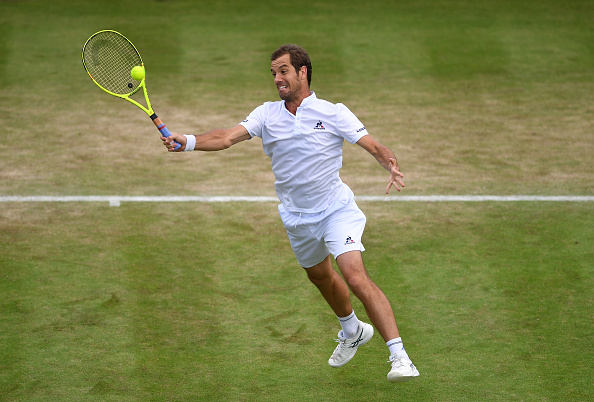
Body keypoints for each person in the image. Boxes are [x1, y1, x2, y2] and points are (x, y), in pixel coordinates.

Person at [162, 44, 419, 383]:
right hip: (297, 217)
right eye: (273, 73)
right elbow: (225, 138)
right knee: (319, 276)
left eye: (283, 71)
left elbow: (372, 145)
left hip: (335, 210)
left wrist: (390, 163)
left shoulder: (333, 111)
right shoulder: (267, 114)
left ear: (302, 72)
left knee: (354, 275)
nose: (277, 79)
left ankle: (400, 358)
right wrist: (189, 141)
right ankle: (353, 330)